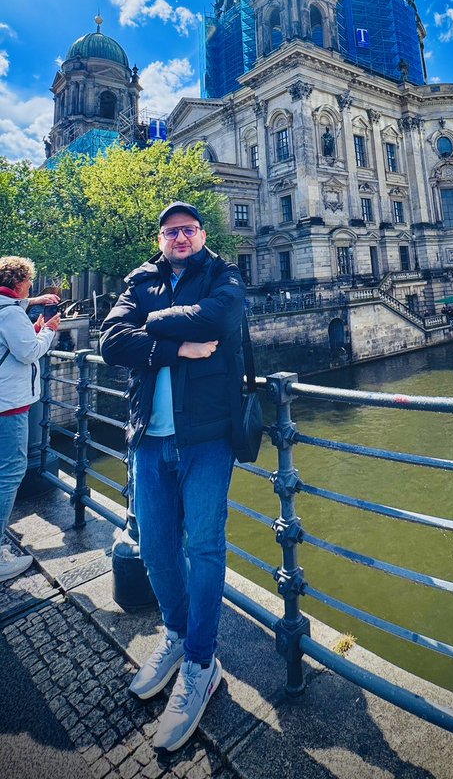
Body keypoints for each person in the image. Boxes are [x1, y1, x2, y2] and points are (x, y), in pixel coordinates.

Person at [99, 202, 246, 753]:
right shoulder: (140, 278)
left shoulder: (224, 272)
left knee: (203, 547)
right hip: (149, 436)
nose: (180, 237)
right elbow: (111, 341)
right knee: (157, 549)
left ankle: (202, 663)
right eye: (170, 232)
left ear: (201, 234)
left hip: (206, 437)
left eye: (188, 230)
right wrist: (177, 346)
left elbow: (221, 320)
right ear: (159, 238)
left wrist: (153, 323)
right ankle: (180, 635)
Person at [0, 256, 60, 582]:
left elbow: (14, 346)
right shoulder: (10, 313)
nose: (31, 288)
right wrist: (48, 332)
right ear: (20, 282)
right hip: (8, 404)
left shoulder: (8, 310)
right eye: (29, 282)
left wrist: (34, 327)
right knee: (10, 472)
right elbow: (28, 353)